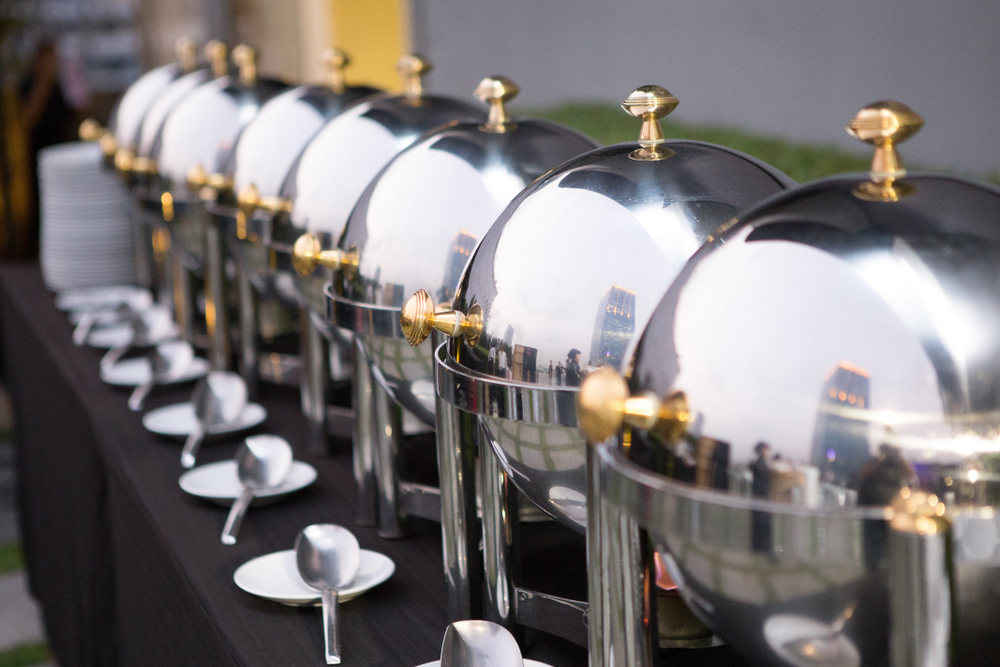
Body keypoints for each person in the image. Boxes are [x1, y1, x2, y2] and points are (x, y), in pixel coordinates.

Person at [750, 442, 772, 553]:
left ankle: (760, 548)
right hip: (761, 498)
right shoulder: (760, 463)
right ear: (762, 450)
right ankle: (761, 549)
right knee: (762, 524)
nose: (769, 452)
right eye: (767, 449)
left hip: (760, 497)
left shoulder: (760, 463)